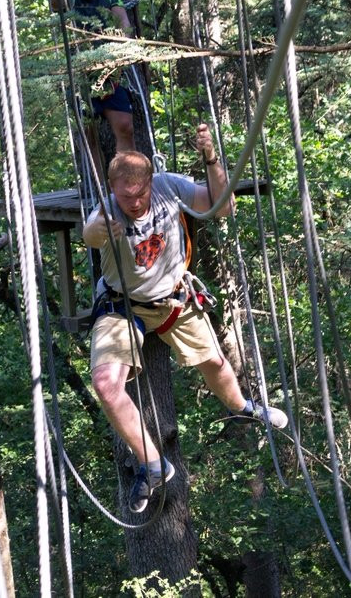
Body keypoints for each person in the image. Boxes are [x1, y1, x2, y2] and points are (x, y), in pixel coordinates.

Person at [81, 123, 288, 513]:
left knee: (216, 362)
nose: (135, 202)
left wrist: (210, 156)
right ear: (113, 190)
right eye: (125, 196)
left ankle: (242, 406)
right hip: (122, 305)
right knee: (106, 385)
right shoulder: (107, 212)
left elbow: (222, 204)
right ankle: (153, 465)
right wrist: (102, 227)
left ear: (149, 181)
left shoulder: (168, 185)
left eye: (140, 193)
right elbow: (90, 234)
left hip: (173, 298)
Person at [58, 0, 136, 154]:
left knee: (125, 127)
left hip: (110, 73)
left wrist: (124, 50)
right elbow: (54, 2)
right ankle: (99, 184)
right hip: (79, 75)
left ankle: (129, 181)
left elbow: (123, 24)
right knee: (88, 135)